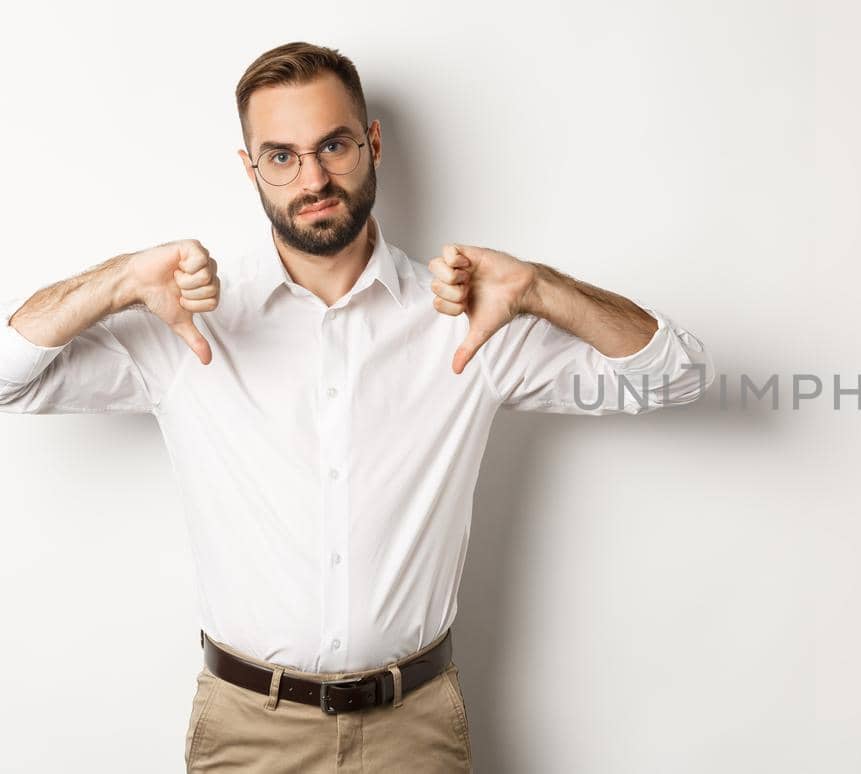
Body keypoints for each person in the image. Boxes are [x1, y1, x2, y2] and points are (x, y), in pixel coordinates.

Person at [0, 41, 713, 773]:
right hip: (249, 731)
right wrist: (119, 279)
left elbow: (677, 375)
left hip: (416, 729)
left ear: (371, 143)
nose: (312, 179)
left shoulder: (470, 318)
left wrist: (539, 288)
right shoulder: (185, 325)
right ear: (250, 171)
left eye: (333, 145)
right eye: (281, 157)